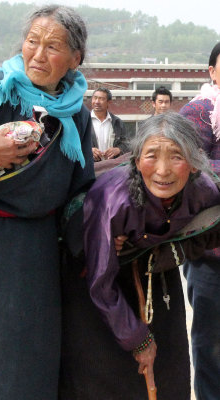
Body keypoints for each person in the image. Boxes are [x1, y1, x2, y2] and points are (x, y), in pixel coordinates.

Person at [0, 5, 94, 400]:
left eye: (53, 46)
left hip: (37, 252)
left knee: (31, 357)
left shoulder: (77, 114)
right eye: (32, 42)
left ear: (75, 59)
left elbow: (80, 190)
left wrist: (98, 237)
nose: (38, 55)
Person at [59, 112, 220, 400]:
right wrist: (138, 338)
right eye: (151, 156)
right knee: (106, 373)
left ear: (194, 165)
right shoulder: (113, 200)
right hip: (95, 274)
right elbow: (100, 283)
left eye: (176, 156)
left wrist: (166, 249)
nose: (163, 170)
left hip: (154, 273)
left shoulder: (205, 190)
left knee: (168, 367)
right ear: (136, 161)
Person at [179, 42, 220, 399]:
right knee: (211, 348)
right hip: (211, 253)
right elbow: (191, 170)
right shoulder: (200, 111)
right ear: (212, 71)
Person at [90, 87, 130, 161]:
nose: (97, 102)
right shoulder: (84, 121)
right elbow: (74, 144)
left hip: (111, 167)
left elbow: (127, 144)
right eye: (95, 98)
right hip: (89, 167)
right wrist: (88, 150)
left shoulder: (117, 123)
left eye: (101, 99)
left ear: (109, 102)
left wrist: (118, 149)